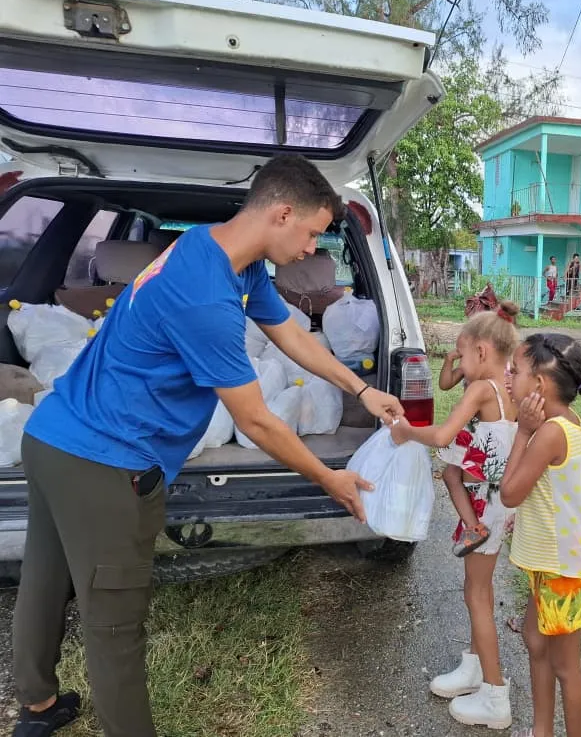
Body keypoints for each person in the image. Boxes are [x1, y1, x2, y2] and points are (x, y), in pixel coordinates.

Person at [11, 154, 402, 737]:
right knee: (115, 626)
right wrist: (330, 478)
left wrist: (361, 389)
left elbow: (290, 333)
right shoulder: (205, 298)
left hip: (52, 437)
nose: (311, 250)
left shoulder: (215, 251)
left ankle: (38, 707)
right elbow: (258, 421)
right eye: (311, 233)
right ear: (282, 213)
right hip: (104, 463)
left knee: (45, 578)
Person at [390, 305, 519, 730]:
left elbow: (443, 435)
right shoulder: (510, 385)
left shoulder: (482, 389)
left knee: (477, 594)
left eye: (462, 355)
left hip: (485, 502)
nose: (459, 364)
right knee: (476, 587)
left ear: (481, 351)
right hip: (495, 499)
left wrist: (406, 431)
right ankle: (474, 665)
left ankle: (495, 696)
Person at [500, 333, 581, 737]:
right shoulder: (568, 422)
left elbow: (510, 494)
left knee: (565, 665)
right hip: (550, 561)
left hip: (565, 569)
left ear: (539, 386)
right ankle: (541, 730)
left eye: (515, 372)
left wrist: (522, 432)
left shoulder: (548, 433)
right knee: (534, 639)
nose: (508, 378)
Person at [437, 339, 515, 556]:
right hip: (473, 429)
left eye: (464, 353)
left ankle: (475, 528)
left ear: (481, 352)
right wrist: (449, 360)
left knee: (463, 479)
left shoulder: (498, 379)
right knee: (451, 474)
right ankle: (473, 526)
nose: (462, 358)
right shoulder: (472, 368)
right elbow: (444, 384)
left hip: (483, 435)